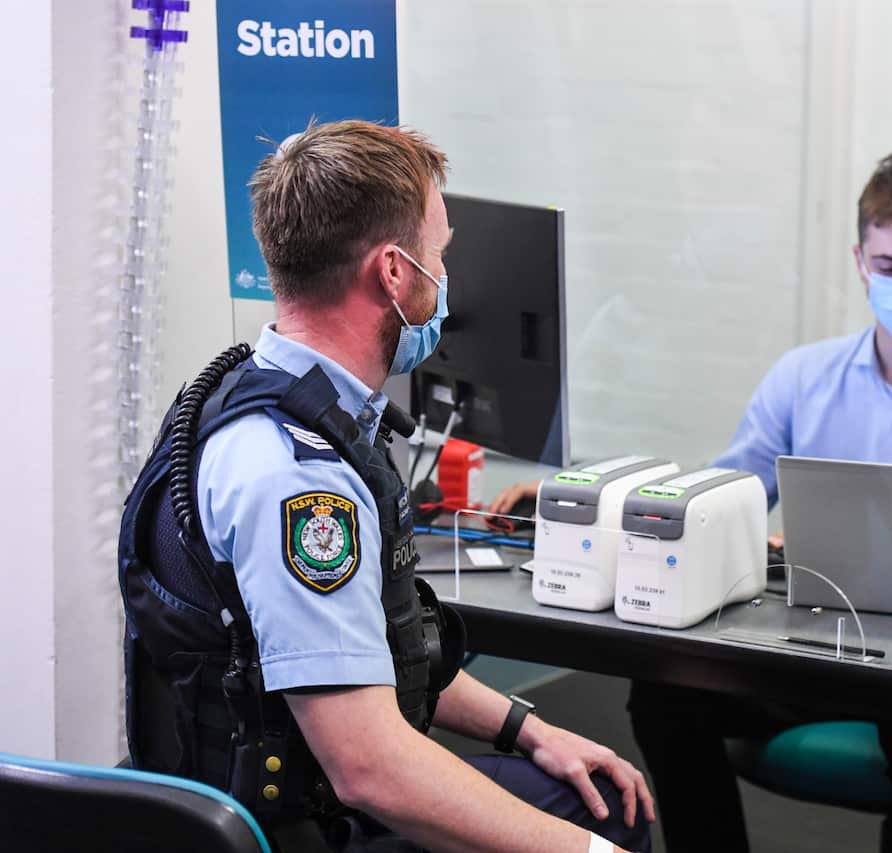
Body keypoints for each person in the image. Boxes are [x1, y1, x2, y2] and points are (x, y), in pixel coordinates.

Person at [493, 147, 892, 851]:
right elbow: (715, 500)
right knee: (669, 691)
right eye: (891, 268)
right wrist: (579, 493)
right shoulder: (805, 379)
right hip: (830, 641)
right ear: (861, 259)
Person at [118, 120, 652, 853]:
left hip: (284, 802)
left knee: (586, 786)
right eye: (440, 254)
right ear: (395, 273)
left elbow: (362, 656)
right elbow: (370, 767)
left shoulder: (254, 396)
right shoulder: (298, 480)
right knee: (599, 823)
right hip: (303, 830)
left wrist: (531, 730)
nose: (445, 276)